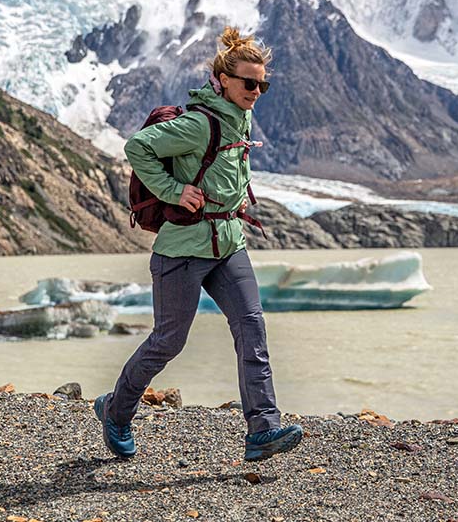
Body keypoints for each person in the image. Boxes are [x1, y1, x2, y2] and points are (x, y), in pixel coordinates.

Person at [93, 27, 302, 462]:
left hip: (228, 245)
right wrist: (173, 191)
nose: (256, 92)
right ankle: (116, 410)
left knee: (251, 328)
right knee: (168, 341)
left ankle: (263, 430)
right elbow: (138, 146)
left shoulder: (241, 118)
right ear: (223, 80)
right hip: (183, 249)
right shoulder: (198, 124)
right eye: (249, 84)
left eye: (262, 85)